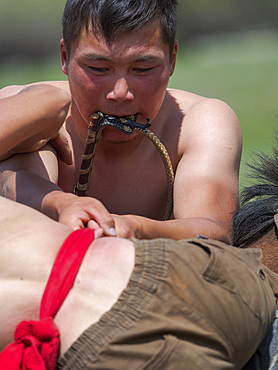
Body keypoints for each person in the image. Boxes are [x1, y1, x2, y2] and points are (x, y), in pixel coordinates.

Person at [0, 0, 242, 243]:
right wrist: (62, 203)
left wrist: (134, 227)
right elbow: (12, 183)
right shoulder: (39, 113)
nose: (120, 92)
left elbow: (215, 234)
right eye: (98, 68)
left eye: (143, 68)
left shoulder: (200, 122)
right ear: (64, 57)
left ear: (172, 60)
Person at [0, 195, 277, 369]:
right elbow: (49, 103)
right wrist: (59, 198)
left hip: (117, 349)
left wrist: (60, 200)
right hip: (174, 267)